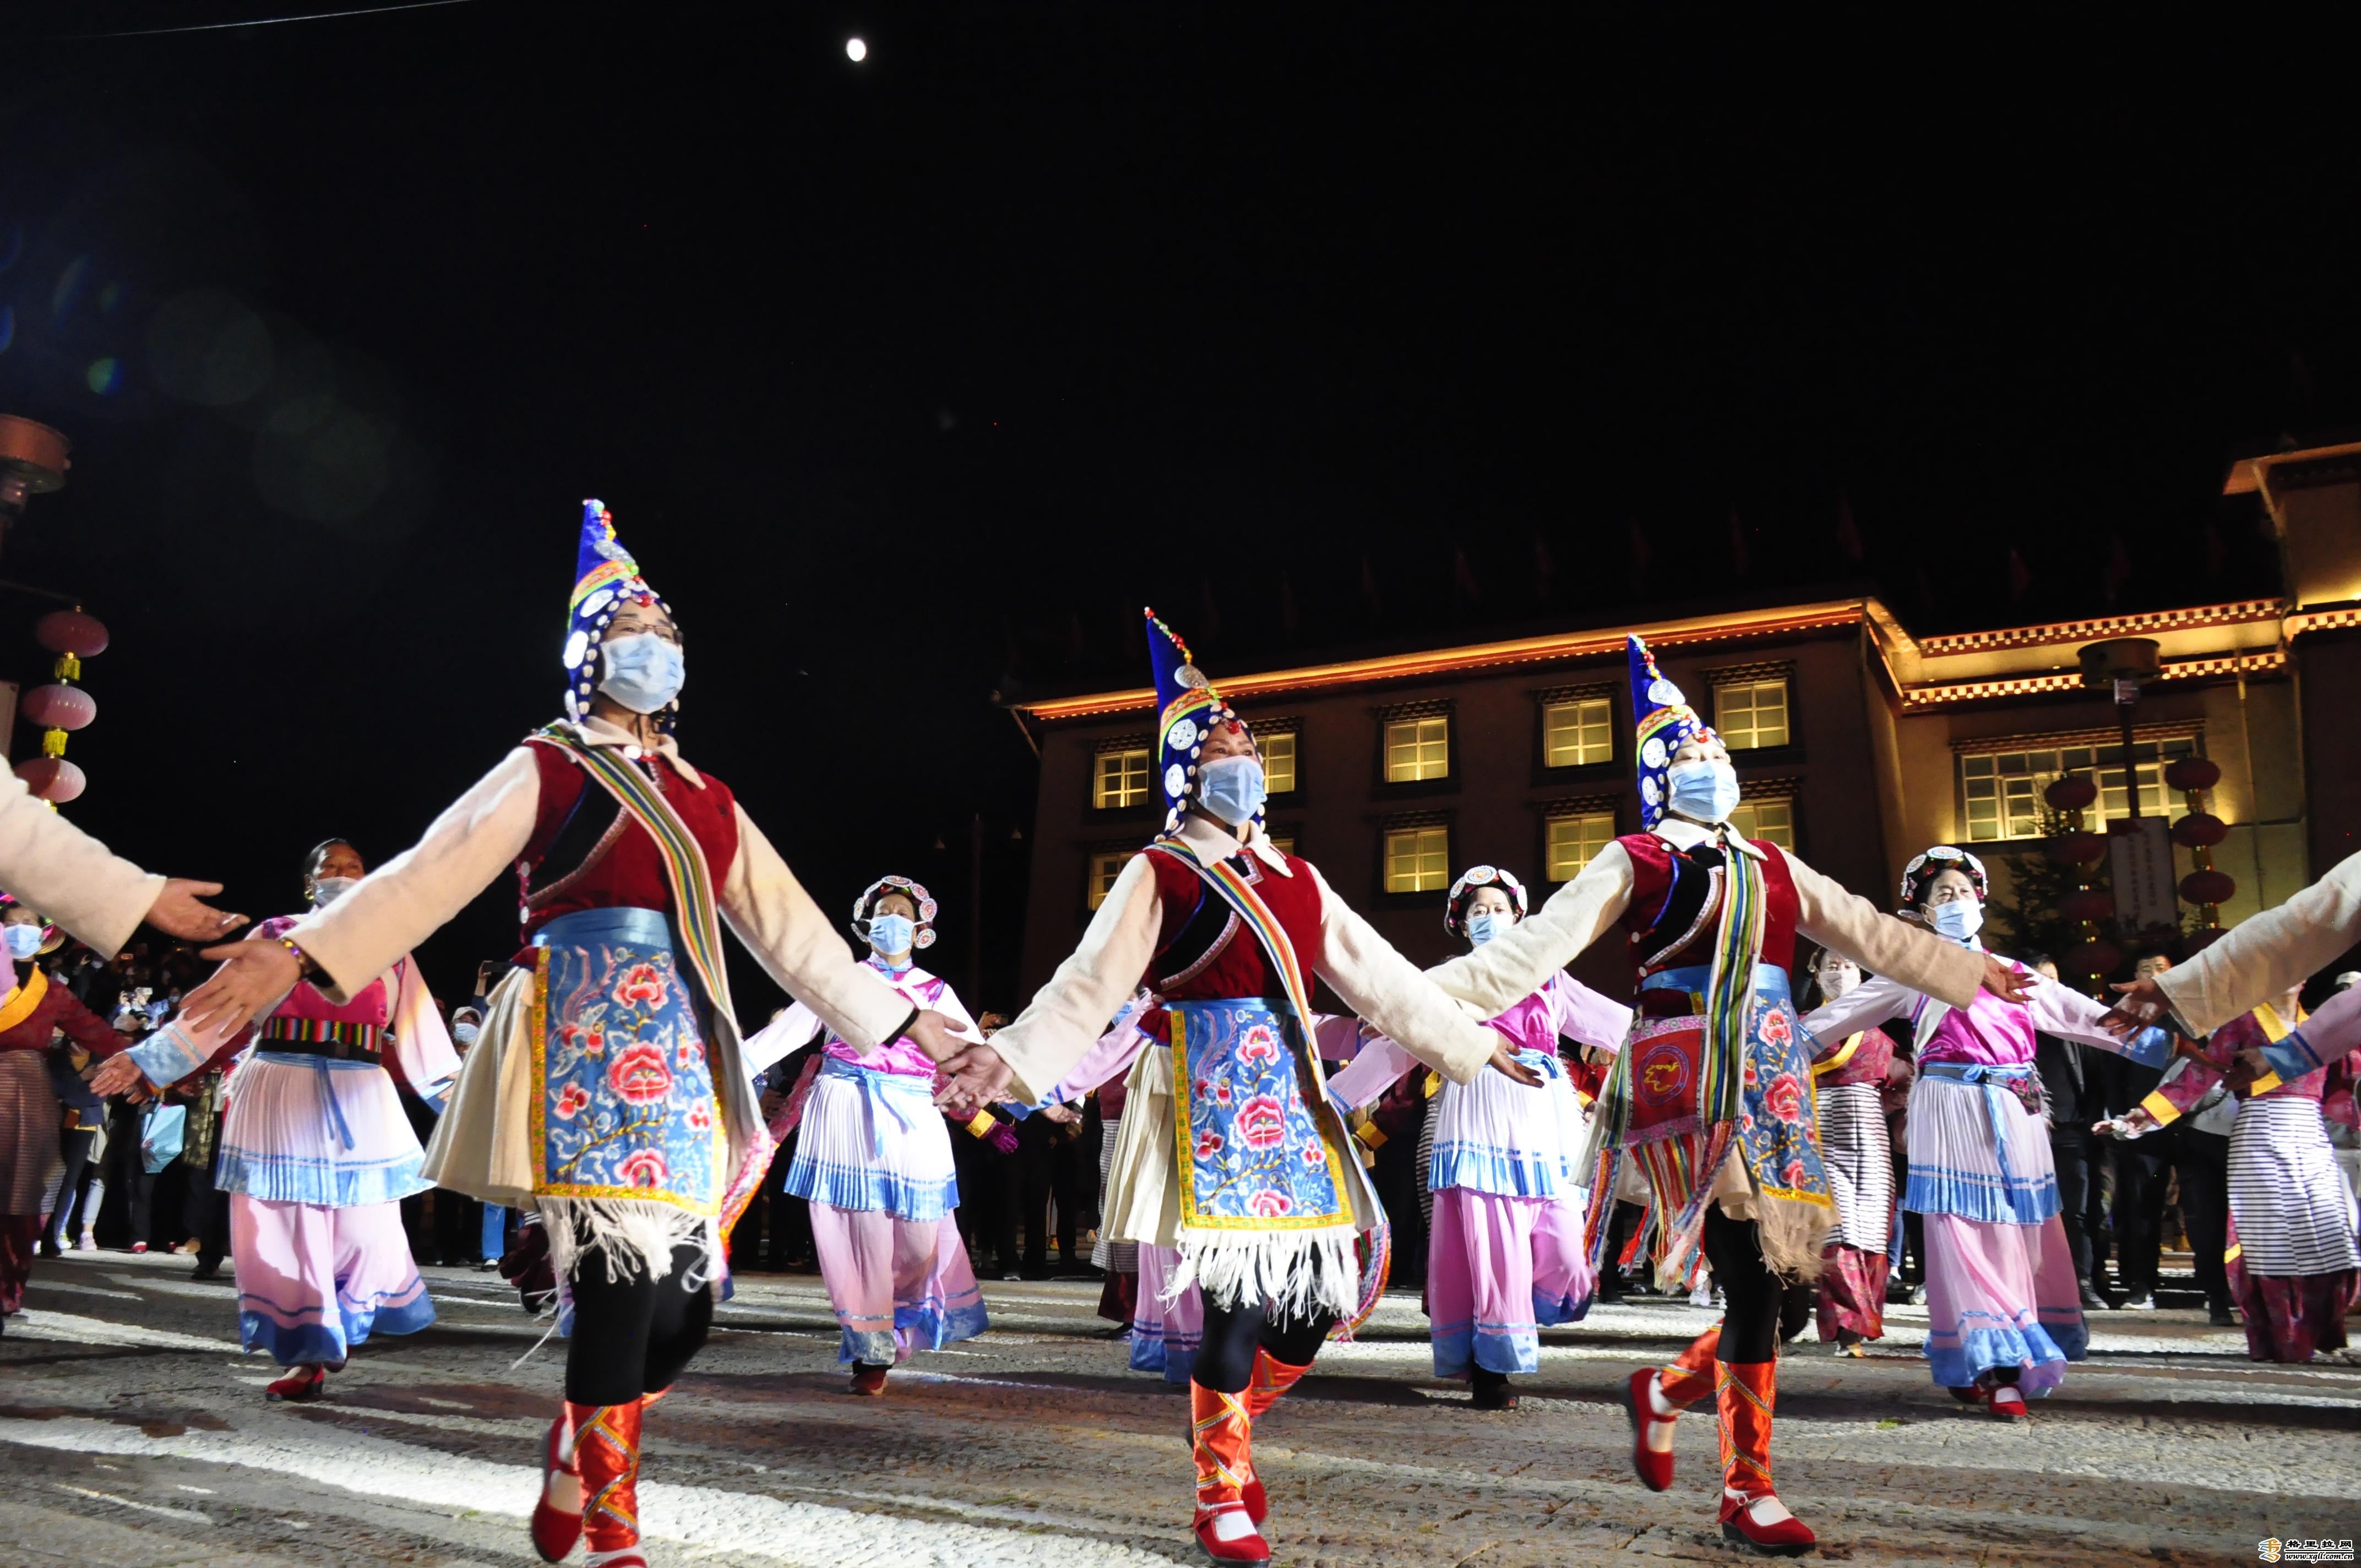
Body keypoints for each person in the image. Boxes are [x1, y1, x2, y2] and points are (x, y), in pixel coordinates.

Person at [173, 501, 960, 1568]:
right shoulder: (544, 766)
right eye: (632, 634)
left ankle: (573, 1442)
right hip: (578, 1036)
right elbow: (426, 873)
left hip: (686, 1047)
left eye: (668, 639)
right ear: (591, 657)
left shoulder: (707, 797)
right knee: (620, 1281)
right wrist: (306, 952)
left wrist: (923, 1027)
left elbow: (801, 942)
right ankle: (613, 1507)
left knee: (682, 1309)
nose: (654, 652)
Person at [1398, 638, 2029, 1558]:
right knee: (1745, 1275)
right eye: (1692, 758)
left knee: (1791, 1286)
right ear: (1660, 775)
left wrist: (1969, 971)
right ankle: (1746, 1487)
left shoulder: (1771, 862)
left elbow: (1866, 929)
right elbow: (1527, 953)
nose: (1711, 769)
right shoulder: (1637, 858)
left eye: (1720, 757)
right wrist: (1400, 992)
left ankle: (1663, 1391)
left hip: (1773, 1083)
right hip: (1688, 1084)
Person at [929, 608, 1533, 1566]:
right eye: (1218, 745)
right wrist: (1008, 1061)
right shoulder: (1159, 869)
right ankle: (1221, 1494)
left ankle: (1223, 1420)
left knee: (1308, 1306)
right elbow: (1090, 985)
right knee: (1235, 1306)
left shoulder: (1295, 874)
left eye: (1248, 743)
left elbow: (1379, 977)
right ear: (1183, 770)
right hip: (1202, 1102)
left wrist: (1471, 1045)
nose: (1240, 756)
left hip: (1291, 1102)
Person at [95, 839, 458, 1398]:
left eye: (352, 867)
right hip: (280, 1087)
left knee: (368, 1230)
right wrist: (147, 1060)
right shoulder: (273, 936)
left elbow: (421, 1034)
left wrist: (464, 1107)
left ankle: (345, 1320)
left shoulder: (390, 945)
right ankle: (309, 1354)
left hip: (360, 1092)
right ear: (309, 884)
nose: (341, 874)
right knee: (289, 1227)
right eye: (328, 867)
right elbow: (219, 1007)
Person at [1794, 846, 2136, 1418]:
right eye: (1941, 896)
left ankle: (2008, 1352)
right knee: (1964, 1235)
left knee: (2025, 1234)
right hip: (1949, 1106)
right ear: (1923, 913)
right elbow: (1837, 1017)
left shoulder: (2015, 975)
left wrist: (2168, 1033)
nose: (1955, 901)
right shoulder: (1914, 973)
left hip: (2017, 1107)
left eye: (1962, 891)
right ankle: (1997, 1366)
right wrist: (1767, 1051)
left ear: (1981, 900)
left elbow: (2085, 1017)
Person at [1326, 864, 1630, 1407]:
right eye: (1477, 911)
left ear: (1521, 917)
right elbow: (1397, 1045)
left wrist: (1691, 1040)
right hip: (1477, 1112)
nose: (1489, 918)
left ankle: (1504, 1327)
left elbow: (1615, 1025)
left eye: (1499, 909)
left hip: (1545, 1113)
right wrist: (1336, 1098)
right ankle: (1493, 1366)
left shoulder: (1550, 978)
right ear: (1462, 925)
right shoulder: (1445, 985)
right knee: (1495, 1247)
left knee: (1562, 1250)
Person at [743, 874, 988, 1395]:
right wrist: (722, 1066)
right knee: (857, 1234)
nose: (891, 921)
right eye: (883, 914)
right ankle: (869, 1346)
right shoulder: (841, 980)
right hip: (845, 1108)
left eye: (903, 913)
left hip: (913, 1110)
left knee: (921, 1238)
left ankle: (900, 1320)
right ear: (865, 926)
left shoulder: (936, 992)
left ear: (921, 929)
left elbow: (982, 1056)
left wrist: (1036, 1096)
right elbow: (783, 1035)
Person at [2096, 985, 2360, 1362]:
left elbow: (2345, 1077)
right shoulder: (2244, 1022)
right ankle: (2282, 1336)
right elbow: (2199, 1074)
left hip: (2313, 1135)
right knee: (2272, 1243)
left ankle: (2320, 1328)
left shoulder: (2320, 1023)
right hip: (2260, 1130)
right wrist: (2142, 1116)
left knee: (2329, 1234)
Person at [0, 897, 128, 1327]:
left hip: (27, 1093)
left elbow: (97, 1032)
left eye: (29, 923)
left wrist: (148, 1063)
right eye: (12, 923)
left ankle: (7, 1290)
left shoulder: (51, 991)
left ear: (43, 935)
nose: (21, 930)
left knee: (23, 1196)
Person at [1799, 946, 1893, 1352]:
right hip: (1822, 1134)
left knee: (1872, 1234)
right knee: (1838, 1234)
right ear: (1817, 976)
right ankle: (1849, 1325)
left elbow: (1898, 1085)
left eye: (1851, 966)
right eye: (1833, 967)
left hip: (1872, 1138)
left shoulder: (1885, 1032)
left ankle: (1862, 1322)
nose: (1842, 973)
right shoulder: (1799, 1027)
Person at [2027, 954, 2112, 1313]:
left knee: (2077, 1213)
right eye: (2040, 979)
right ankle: (2034, 1285)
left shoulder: (2073, 1023)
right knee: (2032, 1213)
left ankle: (2083, 1281)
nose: (2050, 986)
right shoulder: (2016, 1023)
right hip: (2029, 1132)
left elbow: (2097, 1078)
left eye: (2055, 978)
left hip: (2073, 1131)